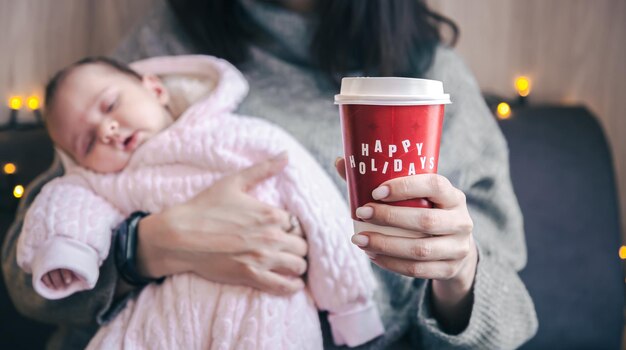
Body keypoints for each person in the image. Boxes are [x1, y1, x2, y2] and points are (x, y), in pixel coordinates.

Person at [2, 0, 538, 349]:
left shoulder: (430, 74)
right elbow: (31, 271)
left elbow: (508, 315)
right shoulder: (168, 48)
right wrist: (151, 246)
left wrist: (456, 274)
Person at [15, 54, 384, 349]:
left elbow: (320, 211)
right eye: (88, 142)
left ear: (155, 89)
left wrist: (350, 306)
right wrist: (69, 253)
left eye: (110, 106)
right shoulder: (105, 181)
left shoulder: (240, 137)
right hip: (159, 318)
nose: (106, 130)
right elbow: (65, 207)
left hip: (263, 304)